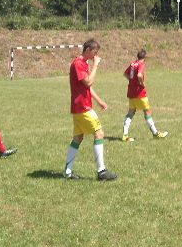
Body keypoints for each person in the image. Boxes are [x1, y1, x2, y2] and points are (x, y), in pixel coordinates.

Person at [64, 39, 117, 181]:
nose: (96, 55)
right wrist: (96, 65)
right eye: (95, 52)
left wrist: (99, 100)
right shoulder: (78, 63)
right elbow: (88, 82)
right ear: (87, 49)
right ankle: (101, 171)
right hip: (82, 107)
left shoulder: (83, 63)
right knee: (99, 134)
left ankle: (67, 172)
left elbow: (86, 86)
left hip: (79, 107)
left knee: (78, 138)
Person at [121, 49, 168, 142]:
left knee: (130, 113)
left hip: (131, 92)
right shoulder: (141, 64)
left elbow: (125, 74)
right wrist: (142, 83)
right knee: (147, 112)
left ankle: (124, 135)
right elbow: (139, 75)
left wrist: (132, 81)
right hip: (139, 93)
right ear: (145, 57)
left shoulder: (133, 63)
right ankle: (155, 134)